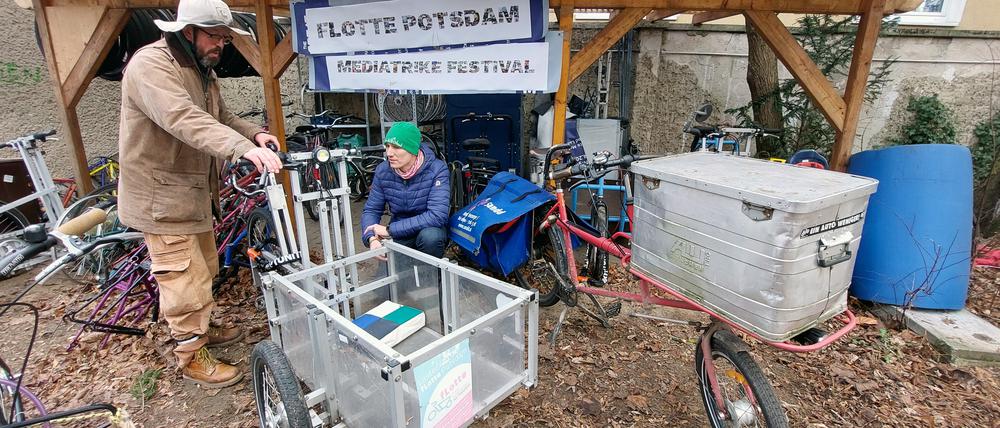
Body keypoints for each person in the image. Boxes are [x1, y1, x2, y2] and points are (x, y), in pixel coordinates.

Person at [116, 0, 283, 388]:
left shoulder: (200, 70)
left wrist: (254, 133)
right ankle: (191, 355)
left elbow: (219, 116)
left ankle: (202, 329)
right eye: (215, 36)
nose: (221, 45)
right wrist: (243, 149)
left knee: (205, 268)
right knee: (181, 278)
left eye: (225, 39)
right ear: (187, 31)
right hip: (161, 199)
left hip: (191, 194)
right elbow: (183, 118)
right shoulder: (151, 66)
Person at [361, 122, 450, 258]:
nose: (389, 153)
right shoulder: (383, 170)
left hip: (427, 228)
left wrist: (389, 230)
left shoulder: (437, 169)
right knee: (389, 275)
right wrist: (371, 238)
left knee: (431, 237)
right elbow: (372, 209)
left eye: (396, 147)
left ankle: (430, 276)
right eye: (387, 146)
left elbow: (437, 215)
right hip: (399, 230)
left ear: (412, 149)